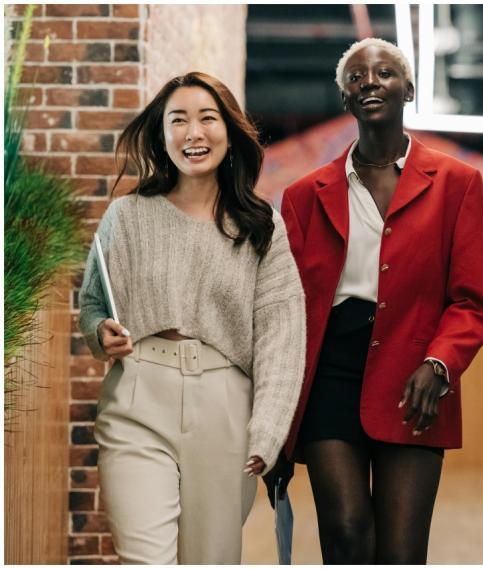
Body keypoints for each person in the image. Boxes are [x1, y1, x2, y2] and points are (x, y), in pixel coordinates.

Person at [275, 37, 483, 564]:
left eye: (384, 73)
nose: (369, 81)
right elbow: (284, 307)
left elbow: (472, 301)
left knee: (400, 551)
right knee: (347, 532)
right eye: (356, 77)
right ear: (345, 100)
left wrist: (439, 365)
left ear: (409, 89)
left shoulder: (457, 183)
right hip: (330, 373)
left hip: (416, 376)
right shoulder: (304, 195)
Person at [78, 72, 306, 564]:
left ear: (230, 130)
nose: (192, 133)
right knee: (145, 559)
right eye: (177, 121)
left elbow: (282, 339)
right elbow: (94, 302)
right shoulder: (126, 216)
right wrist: (101, 333)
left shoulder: (261, 228)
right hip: (138, 396)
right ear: (162, 135)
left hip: (226, 409)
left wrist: (268, 429)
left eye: (207, 118)